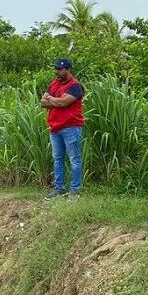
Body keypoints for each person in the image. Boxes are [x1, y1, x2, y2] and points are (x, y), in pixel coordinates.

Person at [40, 58, 85, 200]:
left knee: (74, 159)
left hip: (71, 127)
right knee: (57, 159)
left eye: (60, 69)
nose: (57, 71)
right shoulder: (54, 84)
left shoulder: (76, 86)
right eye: (56, 68)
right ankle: (59, 188)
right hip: (55, 127)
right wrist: (55, 101)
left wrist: (51, 99)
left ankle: (74, 190)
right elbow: (42, 102)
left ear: (68, 69)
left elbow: (64, 103)